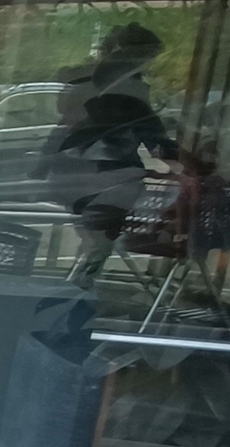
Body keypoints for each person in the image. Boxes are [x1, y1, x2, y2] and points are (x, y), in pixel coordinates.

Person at [46, 23, 176, 285]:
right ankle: (85, 277)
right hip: (99, 176)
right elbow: (150, 133)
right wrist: (182, 159)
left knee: (97, 234)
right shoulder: (124, 89)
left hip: (73, 171)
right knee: (103, 232)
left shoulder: (89, 82)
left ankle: (87, 266)